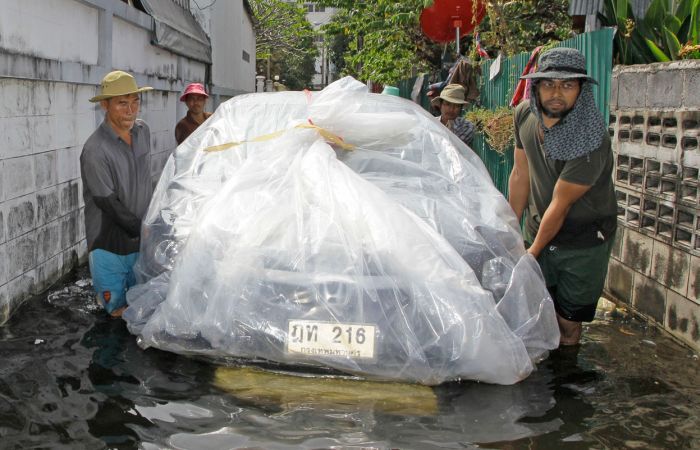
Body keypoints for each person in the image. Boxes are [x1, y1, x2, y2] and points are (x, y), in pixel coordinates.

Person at [507, 47, 617, 346]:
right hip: (537, 226)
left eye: (567, 85)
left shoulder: (590, 138)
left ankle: (564, 379)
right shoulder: (524, 115)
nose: (557, 93)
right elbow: (520, 174)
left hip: (582, 238)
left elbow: (562, 203)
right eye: (549, 84)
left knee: (568, 322)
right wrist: (507, 230)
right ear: (536, 87)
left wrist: (531, 254)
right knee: (537, 308)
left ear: (580, 90)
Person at [80, 70, 154, 317]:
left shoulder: (143, 132)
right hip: (108, 245)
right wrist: (144, 229)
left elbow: (147, 179)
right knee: (115, 313)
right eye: (122, 103)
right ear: (105, 104)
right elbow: (107, 203)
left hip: (140, 242)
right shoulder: (95, 150)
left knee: (142, 303)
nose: (131, 110)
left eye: (135, 101)